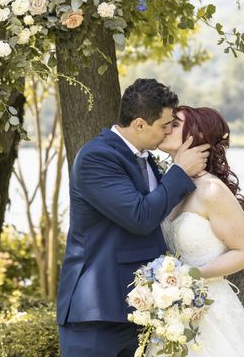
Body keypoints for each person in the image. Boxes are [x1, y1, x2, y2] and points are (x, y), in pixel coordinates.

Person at [56, 79, 211, 357]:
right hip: (97, 312)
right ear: (139, 124)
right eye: (164, 125)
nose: (167, 132)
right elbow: (139, 216)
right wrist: (179, 172)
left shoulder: (146, 158)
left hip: (139, 309)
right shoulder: (97, 156)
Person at [155, 105, 244, 356]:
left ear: (197, 137)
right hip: (173, 310)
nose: (165, 128)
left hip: (211, 309)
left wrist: (191, 277)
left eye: (174, 125)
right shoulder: (168, 187)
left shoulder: (211, 190)